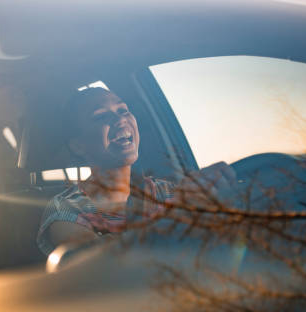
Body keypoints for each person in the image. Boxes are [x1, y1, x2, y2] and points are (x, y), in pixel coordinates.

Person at [36, 87, 236, 255]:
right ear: (78, 146)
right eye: (101, 116)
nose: (120, 120)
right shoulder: (66, 209)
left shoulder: (166, 191)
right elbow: (106, 273)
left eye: (123, 110)